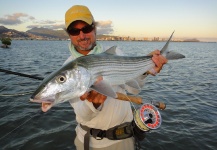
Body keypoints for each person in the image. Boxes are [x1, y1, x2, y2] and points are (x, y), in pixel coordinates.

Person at [64, 5, 167, 150]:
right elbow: (82, 113)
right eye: (74, 31)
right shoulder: (68, 67)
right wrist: (93, 104)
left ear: (94, 29)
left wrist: (145, 69)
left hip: (121, 141)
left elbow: (134, 89)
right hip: (86, 141)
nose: (82, 36)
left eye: (86, 28)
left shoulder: (114, 52)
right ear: (68, 34)